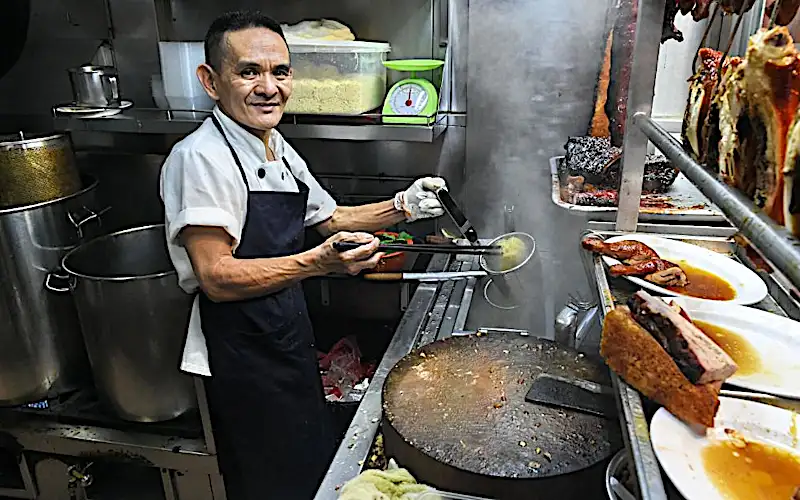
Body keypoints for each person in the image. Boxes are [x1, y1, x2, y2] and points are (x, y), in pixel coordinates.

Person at [159, 10, 447, 500]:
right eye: (249, 72)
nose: (268, 87)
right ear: (211, 81)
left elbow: (329, 219)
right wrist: (319, 262)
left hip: (285, 331)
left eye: (280, 72)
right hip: (242, 354)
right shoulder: (200, 158)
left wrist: (404, 205)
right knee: (272, 480)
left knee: (312, 465)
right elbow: (216, 275)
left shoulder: (275, 145)